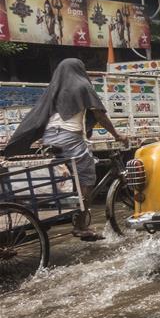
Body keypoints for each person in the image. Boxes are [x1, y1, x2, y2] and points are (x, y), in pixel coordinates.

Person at [5, 58, 127, 241]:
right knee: (87, 176)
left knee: (60, 176)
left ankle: (65, 208)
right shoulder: (83, 85)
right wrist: (117, 135)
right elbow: (100, 115)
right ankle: (81, 226)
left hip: (49, 137)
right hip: (69, 137)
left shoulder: (54, 88)